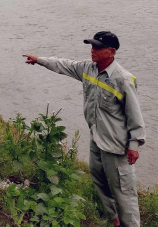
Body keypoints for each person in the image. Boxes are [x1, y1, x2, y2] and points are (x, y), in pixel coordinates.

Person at [23, 31, 145, 227]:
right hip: (96, 139)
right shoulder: (88, 69)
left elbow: (134, 114)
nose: (92, 50)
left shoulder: (123, 79)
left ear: (111, 52)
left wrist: (134, 144)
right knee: (99, 181)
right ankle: (113, 220)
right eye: (91, 46)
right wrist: (39, 60)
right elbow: (64, 65)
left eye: (97, 47)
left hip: (116, 145)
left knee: (123, 191)